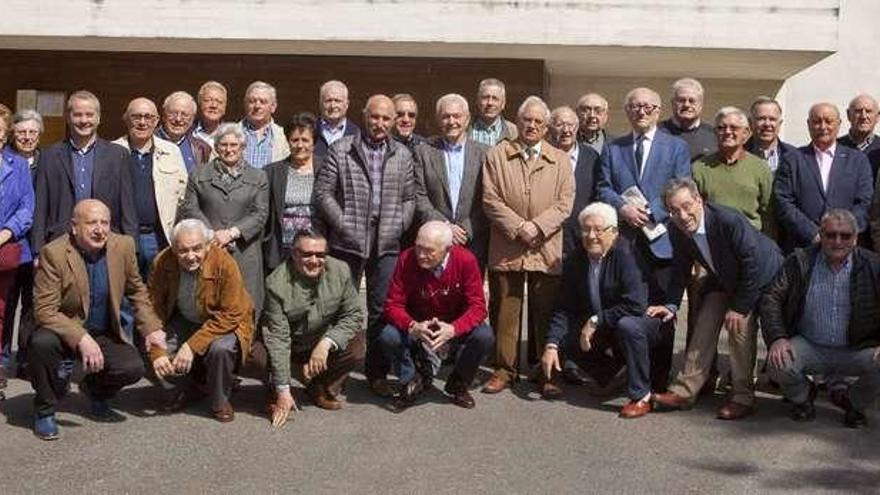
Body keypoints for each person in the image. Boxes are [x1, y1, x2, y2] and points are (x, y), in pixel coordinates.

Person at [29, 200, 166, 440]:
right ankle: (45, 410)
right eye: (92, 222)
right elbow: (44, 310)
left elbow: (137, 291)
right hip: (63, 329)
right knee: (42, 343)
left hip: (102, 329)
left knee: (132, 368)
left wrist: (151, 328)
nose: (100, 229)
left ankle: (95, 391)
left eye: (105, 222)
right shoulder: (54, 253)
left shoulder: (123, 246)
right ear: (74, 226)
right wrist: (80, 337)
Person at [651, 178, 783, 420]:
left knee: (739, 326)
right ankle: (684, 392)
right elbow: (680, 269)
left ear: (699, 200)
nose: (682, 215)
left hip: (762, 277)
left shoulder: (727, 220)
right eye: (674, 210)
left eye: (687, 206)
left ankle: (743, 396)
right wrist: (671, 304)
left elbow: (751, 265)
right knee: (705, 321)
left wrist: (740, 308)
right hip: (725, 278)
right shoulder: (676, 229)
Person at [313, 94, 415, 396]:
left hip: (386, 244)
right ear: (364, 116)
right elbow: (323, 194)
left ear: (394, 120)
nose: (380, 123)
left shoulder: (403, 155)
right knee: (340, 307)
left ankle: (376, 373)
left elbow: (410, 198)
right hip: (347, 242)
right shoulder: (341, 149)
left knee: (382, 310)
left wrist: (398, 225)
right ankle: (336, 373)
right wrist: (343, 224)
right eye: (375, 117)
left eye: (386, 118)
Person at [597, 86, 690, 389]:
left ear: (658, 111)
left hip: (662, 241)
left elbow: (683, 186)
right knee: (627, 306)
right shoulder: (614, 148)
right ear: (627, 111)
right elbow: (603, 187)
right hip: (624, 243)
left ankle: (659, 380)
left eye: (648, 107)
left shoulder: (675, 147)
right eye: (635, 106)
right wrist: (622, 208)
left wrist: (654, 212)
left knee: (660, 311)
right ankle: (626, 370)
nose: (641, 111)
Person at [481, 95, 573, 393]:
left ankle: (544, 371)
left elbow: (565, 203)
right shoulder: (497, 154)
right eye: (526, 120)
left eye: (537, 121)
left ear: (546, 127)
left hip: (545, 247)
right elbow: (490, 199)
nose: (531, 125)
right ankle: (504, 369)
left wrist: (537, 227)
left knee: (545, 310)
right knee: (505, 310)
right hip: (508, 245)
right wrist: (520, 227)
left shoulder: (559, 159)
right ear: (516, 122)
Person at [541, 203, 664, 417]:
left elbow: (636, 305)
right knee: (567, 337)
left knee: (628, 325)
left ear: (614, 232)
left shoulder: (626, 255)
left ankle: (641, 395)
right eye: (586, 229)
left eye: (598, 230)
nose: (591, 236)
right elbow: (564, 306)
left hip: (646, 320)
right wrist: (551, 345)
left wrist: (596, 320)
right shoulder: (576, 259)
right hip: (608, 322)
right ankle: (614, 375)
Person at [761, 209, 880, 428]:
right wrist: (777, 337)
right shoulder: (800, 261)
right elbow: (772, 297)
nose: (837, 241)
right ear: (821, 235)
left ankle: (854, 403)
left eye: (845, 236)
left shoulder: (873, 265)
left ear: (855, 239)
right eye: (831, 234)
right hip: (810, 344)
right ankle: (804, 397)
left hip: (857, 348)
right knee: (777, 362)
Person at [147, 219, 255, 422]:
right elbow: (153, 306)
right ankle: (186, 388)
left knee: (220, 349)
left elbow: (231, 314)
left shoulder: (225, 263)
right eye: (182, 250)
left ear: (208, 245)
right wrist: (156, 348)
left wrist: (191, 346)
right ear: (173, 248)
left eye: (197, 249)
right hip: (185, 318)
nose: (190, 256)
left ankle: (220, 400)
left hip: (223, 322)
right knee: (151, 344)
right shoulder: (162, 262)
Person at [379, 221, 494, 412]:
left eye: (429, 251)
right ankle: (412, 380)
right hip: (418, 324)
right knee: (388, 335)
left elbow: (478, 307)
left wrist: (454, 329)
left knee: (484, 335)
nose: (421, 255)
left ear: (448, 249)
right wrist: (412, 325)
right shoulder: (406, 259)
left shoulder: (466, 261)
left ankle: (458, 383)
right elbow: (392, 304)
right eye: (418, 247)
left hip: (452, 324)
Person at [263, 229, 364, 425]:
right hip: (290, 343)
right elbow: (279, 338)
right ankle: (276, 386)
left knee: (356, 345)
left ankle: (319, 386)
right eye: (307, 254)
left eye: (320, 255)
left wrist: (327, 343)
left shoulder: (340, 270)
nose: (314, 260)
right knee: (254, 354)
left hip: (319, 340)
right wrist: (283, 390)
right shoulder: (275, 283)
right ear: (294, 254)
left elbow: (354, 315)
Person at [177, 123, 269, 314]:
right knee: (210, 299)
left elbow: (260, 214)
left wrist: (231, 234)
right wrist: (211, 234)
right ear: (217, 147)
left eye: (234, 145)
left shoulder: (258, 177)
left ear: (243, 147)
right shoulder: (199, 174)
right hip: (209, 247)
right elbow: (190, 207)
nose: (229, 150)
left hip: (245, 251)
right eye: (224, 145)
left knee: (246, 300)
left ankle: (244, 340)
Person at [31, 91, 138, 255]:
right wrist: (38, 251)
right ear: (68, 117)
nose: (83, 120)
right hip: (61, 244)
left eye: (89, 115)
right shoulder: (49, 156)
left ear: (98, 118)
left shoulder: (118, 155)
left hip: (106, 242)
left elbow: (127, 207)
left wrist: (132, 249)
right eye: (77, 115)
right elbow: (40, 207)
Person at [774, 102, 873, 253]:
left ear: (839, 124)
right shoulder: (793, 159)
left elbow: (865, 201)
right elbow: (783, 201)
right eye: (817, 121)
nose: (823, 126)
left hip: (847, 249)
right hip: (804, 248)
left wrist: (846, 232)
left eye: (828, 121)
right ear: (808, 124)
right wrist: (813, 233)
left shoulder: (857, 160)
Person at [113, 97, 188, 279]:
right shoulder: (112, 151)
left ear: (156, 121)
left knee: (158, 293)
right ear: (126, 119)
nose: (142, 122)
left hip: (159, 237)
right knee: (125, 294)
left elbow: (183, 194)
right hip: (121, 237)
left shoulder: (171, 151)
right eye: (136, 117)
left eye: (148, 117)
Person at [413, 93, 490, 270]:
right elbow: (419, 196)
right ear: (438, 120)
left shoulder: (485, 154)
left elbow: (489, 198)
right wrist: (446, 228)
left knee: (469, 296)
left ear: (468, 118)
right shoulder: (423, 153)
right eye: (446, 116)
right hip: (433, 242)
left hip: (472, 240)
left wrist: (465, 229)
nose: (451, 121)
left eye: (457, 116)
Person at [692, 106, 775, 238]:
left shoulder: (760, 168)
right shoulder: (699, 168)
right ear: (714, 132)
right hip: (714, 241)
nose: (727, 132)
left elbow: (769, 215)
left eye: (734, 128)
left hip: (751, 241)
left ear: (746, 133)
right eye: (721, 128)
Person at [0, 121, 34, 392]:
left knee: (1, 310)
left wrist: (5, 232)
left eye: (0, 129)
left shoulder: (18, 164)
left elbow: (26, 207)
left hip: (4, 247)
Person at [264, 112, 320, 273]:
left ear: (314, 142)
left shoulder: (326, 169)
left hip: (314, 250)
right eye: (295, 140)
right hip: (282, 249)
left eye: (305, 140)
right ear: (288, 141)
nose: (300, 145)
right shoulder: (272, 172)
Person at [549, 105, 601, 259]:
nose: (566, 130)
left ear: (577, 127)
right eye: (559, 125)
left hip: (582, 238)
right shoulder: (543, 155)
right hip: (549, 237)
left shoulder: (592, 157)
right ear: (550, 128)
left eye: (570, 125)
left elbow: (597, 195)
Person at [659, 78, 717, 161]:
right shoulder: (656, 133)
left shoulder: (714, 135)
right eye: (681, 100)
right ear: (672, 103)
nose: (686, 105)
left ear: (701, 104)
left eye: (692, 101)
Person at [156, 91, 212, 173]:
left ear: (192, 119)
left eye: (184, 115)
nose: (178, 119)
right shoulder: (148, 141)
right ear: (164, 115)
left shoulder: (202, 148)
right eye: (173, 113)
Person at [240, 81, 290, 168]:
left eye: (263, 102)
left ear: (273, 107)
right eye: (252, 101)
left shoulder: (284, 136)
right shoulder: (229, 133)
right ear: (245, 104)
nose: (257, 106)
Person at [745, 96, 796, 175]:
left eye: (772, 119)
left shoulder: (794, 156)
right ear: (750, 123)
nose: (767, 124)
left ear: (780, 124)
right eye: (761, 119)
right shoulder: (736, 155)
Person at [314, 80, 361, 163]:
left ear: (347, 104)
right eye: (328, 101)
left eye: (337, 101)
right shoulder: (311, 130)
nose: (333, 106)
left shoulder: (357, 135)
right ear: (320, 103)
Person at [838, 93, 880, 179]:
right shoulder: (833, 148)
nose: (863, 116)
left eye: (868, 111)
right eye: (858, 111)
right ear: (849, 115)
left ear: (878, 116)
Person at [468, 78, 517, 146]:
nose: (490, 103)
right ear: (478, 101)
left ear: (503, 104)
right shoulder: (465, 129)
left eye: (495, 98)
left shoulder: (515, 133)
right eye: (485, 97)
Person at [192, 80, 228, 148]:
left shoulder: (231, 134)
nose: (214, 105)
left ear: (224, 109)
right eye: (208, 100)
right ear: (199, 104)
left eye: (219, 102)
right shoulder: (188, 132)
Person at [11, 109, 44, 174]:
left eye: (32, 132)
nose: (27, 137)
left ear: (39, 136)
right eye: (22, 132)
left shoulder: (46, 161)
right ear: (13, 135)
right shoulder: (4, 162)